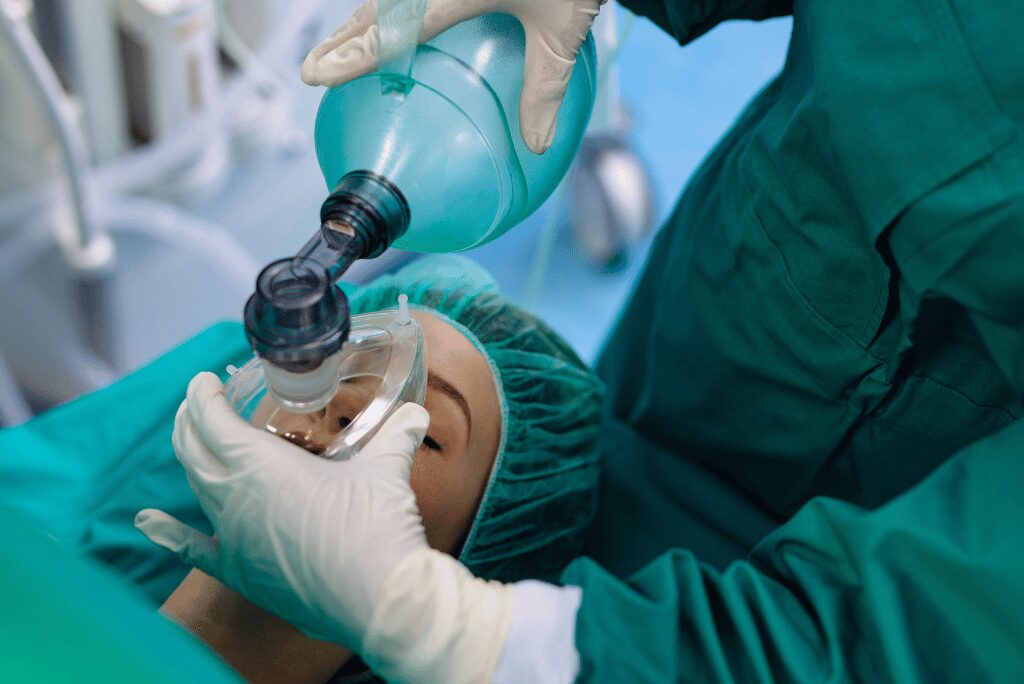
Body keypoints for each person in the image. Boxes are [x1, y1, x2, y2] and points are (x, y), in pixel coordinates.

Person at [140, 0, 1024, 682]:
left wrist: (425, 620)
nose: (333, 392)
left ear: (448, 565)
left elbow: (931, 631)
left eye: (428, 432)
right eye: (363, 353)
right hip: (753, 306)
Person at [156, 256, 603, 683]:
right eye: (337, 368)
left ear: (467, 566)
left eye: (425, 434)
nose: (342, 402)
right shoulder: (90, 596)